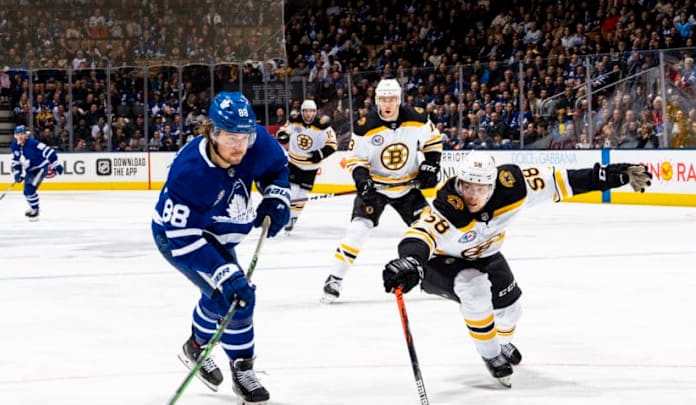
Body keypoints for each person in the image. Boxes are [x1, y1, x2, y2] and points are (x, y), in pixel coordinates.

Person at [381, 151, 653, 387]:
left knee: (511, 312)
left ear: (492, 185)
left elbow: (564, 181)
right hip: (439, 263)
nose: (472, 195)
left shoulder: (516, 187)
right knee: (473, 287)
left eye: (480, 188)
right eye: (467, 187)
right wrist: (411, 261)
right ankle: (490, 354)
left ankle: (501, 342)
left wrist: (614, 176)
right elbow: (419, 236)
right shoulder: (448, 207)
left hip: (485, 254)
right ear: (459, 183)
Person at [151, 92, 290, 404]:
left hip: (220, 233)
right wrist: (227, 274)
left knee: (217, 297)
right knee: (237, 298)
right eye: (230, 137)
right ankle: (243, 369)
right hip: (184, 238)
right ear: (211, 131)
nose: (239, 146)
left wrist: (276, 198)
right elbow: (182, 237)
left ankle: (195, 348)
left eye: (244, 136)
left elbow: (275, 170)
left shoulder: (255, 142)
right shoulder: (189, 172)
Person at [321, 78, 443, 303]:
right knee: (358, 231)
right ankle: (334, 278)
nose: (388, 104)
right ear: (377, 100)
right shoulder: (365, 125)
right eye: (383, 99)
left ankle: (442, 278)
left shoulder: (418, 118)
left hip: (408, 186)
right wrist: (361, 178)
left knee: (432, 231)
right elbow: (355, 158)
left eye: (392, 99)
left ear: (399, 100)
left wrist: (430, 165)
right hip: (376, 188)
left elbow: (434, 143)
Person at [276, 99, 337, 232]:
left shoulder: (322, 126)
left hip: (311, 167)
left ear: (315, 112)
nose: (308, 114)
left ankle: (294, 218)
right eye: (306, 111)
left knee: (302, 194)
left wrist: (319, 154)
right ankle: (287, 217)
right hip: (294, 163)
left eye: (311, 111)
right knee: (293, 191)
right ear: (302, 112)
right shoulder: (294, 120)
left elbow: (333, 144)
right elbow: (284, 131)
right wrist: (282, 135)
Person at [10, 125, 64, 220]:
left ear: (26, 135)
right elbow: (16, 161)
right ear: (15, 135)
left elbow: (49, 151)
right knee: (26, 191)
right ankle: (33, 207)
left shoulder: (33, 143)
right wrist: (17, 173)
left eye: (22, 134)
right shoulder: (15, 146)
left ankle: (35, 210)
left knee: (30, 189)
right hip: (30, 170)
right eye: (18, 134)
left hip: (40, 168)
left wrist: (55, 164)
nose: (20, 136)